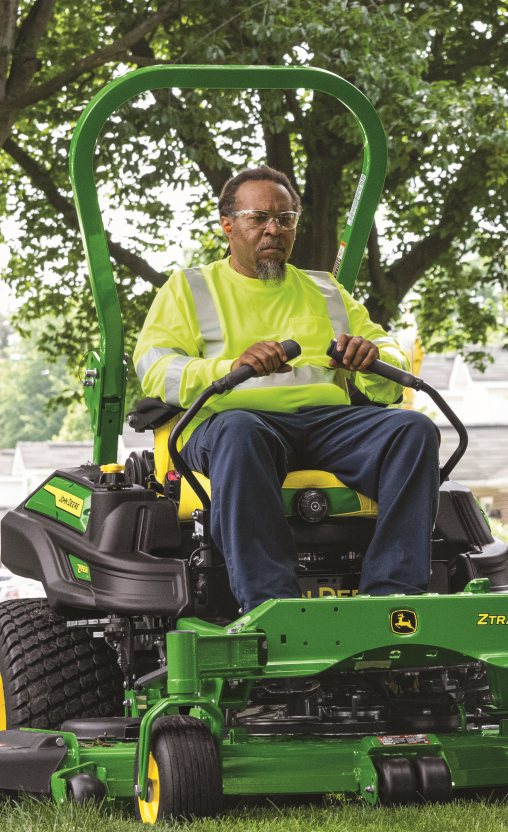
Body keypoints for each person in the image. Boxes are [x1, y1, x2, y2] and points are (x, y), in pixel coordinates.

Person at [133, 164, 440, 613]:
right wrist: (229, 366)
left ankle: (392, 598)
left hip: (329, 426)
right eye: (259, 218)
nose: (274, 229)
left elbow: (389, 353)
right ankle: (271, 605)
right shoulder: (189, 289)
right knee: (242, 432)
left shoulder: (326, 290)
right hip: (228, 425)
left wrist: (370, 358)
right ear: (228, 226)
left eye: (286, 219)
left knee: (413, 430)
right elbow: (155, 368)